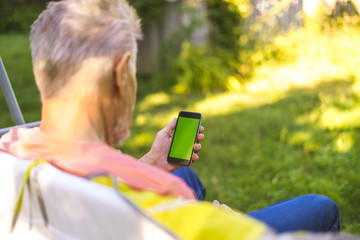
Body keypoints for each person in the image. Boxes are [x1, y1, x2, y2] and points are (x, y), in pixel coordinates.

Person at [0, 0, 340, 238]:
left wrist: (148, 162)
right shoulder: (165, 193)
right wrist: (225, 225)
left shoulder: (11, 147)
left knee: (186, 173)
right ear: (120, 75)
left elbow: (91, 186)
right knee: (321, 207)